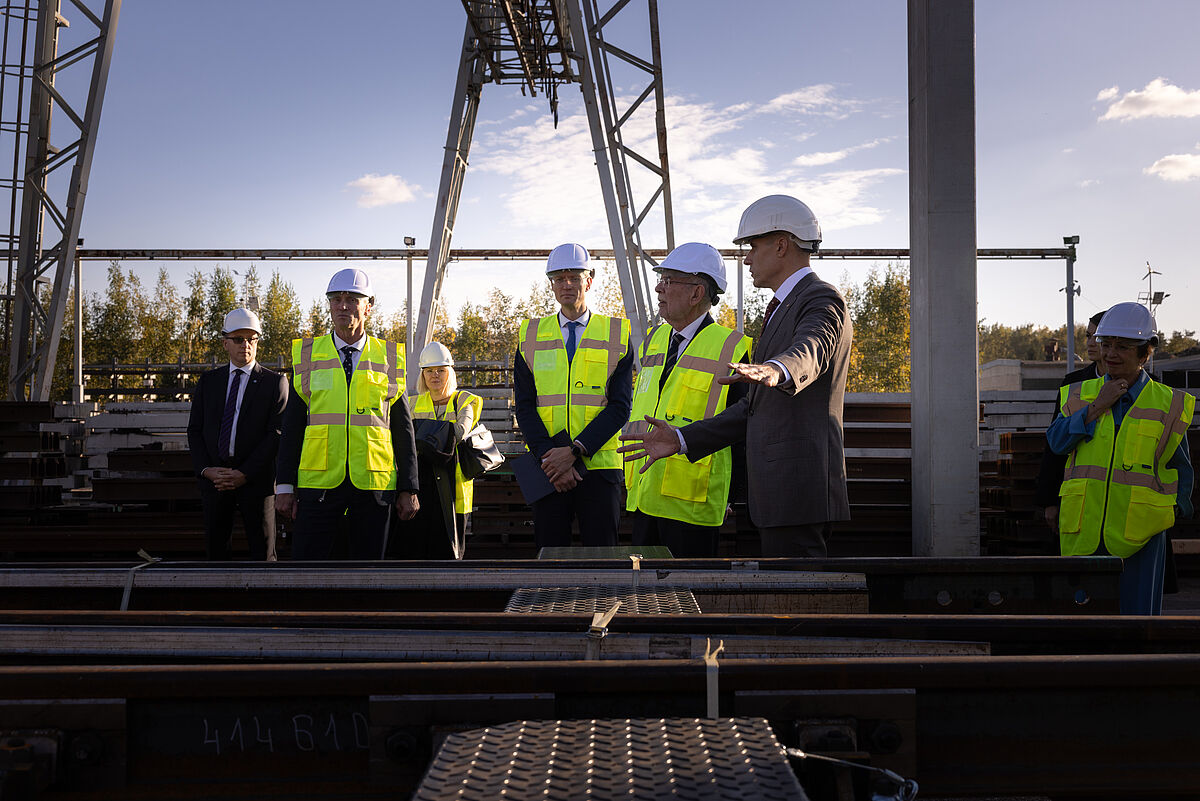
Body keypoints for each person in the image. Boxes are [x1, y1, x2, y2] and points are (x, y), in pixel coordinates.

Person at [619, 195, 852, 557]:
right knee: (785, 598)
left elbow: (812, 348)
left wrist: (778, 368)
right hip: (775, 492)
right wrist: (681, 439)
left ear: (780, 245)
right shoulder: (780, 309)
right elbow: (751, 411)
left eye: (753, 247)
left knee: (800, 600)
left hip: (796, 488)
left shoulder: (821, 298)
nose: (746, 258)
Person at [1047, 301, 1194, 614]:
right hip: (1085, 527)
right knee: (1082, 621)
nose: (1110, 354)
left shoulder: (1168, 403)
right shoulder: (1079, 393)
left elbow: (1181, 468)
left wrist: (1174, 511)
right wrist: (1097, 406)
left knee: (1137, 622)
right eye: (1106, 344)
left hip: (1141, 532)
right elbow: (1057, 443)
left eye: (1122, 347)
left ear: (1144, 354)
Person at [274, 268, 419, 559]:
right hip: (318, 487)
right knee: (309, 569)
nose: (343, 305)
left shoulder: (390, 357)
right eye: (336, 299)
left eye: (352, 299)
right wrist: (285, 485)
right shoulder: (308, 356)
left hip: (374, 486)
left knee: (369, 574)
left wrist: (409, 487)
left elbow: (402, 429)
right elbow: (292, 428)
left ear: (369, 305)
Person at [622, 242, 751, 557]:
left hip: (691, 503)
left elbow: (742, 424)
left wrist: (734, 497)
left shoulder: (732, 348)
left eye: (668, 281)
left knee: (686, 598)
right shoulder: (655, 340)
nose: (658, 288)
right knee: (643, 596)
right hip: (643, 493)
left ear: (696, 293)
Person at [513, 242, 634, 548]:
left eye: (574, 277)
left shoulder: (616, 334)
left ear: (589, 281)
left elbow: (620, 407)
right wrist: (550, 457)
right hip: (549, 467)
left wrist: (576, 451)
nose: (566, 284)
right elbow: (525, 407)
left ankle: (606, 600)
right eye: (559, 278)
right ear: (551, 284)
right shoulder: (530, 335)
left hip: (598, 469)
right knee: (550, 556)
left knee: (603, 556)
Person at [187, 308, 288, 560]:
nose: (246, 345)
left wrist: (244, 474)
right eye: (238, 339)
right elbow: (195, 430)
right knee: (216, 552)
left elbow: (275, 434)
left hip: (255, 482)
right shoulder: (209, 382)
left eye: (252, 339)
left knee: (263, 553)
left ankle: (265, 599)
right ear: (225, 343)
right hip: (216, 480)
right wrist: (206, 470)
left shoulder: (274, 383)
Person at [392, 342, 482, 560]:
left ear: (449, 373)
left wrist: (419, 435)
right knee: (415, 548)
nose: (435, 376)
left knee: (448, 552)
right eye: (429, 371)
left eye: (441, 370)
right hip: (420, 484)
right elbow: (399, 439)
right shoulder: (412, 403)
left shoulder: (464, 401)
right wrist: (436, 436)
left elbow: (460, 431)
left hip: (453, 489)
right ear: (422, 375)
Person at [1036, 310, 1107, 532]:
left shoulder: (1149, 387)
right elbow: (1054, 446)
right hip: (1079, 501)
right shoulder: (1073, 384)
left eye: (1098, 337)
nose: (1090, 343)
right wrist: (1049, 500)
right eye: (1088, 336)